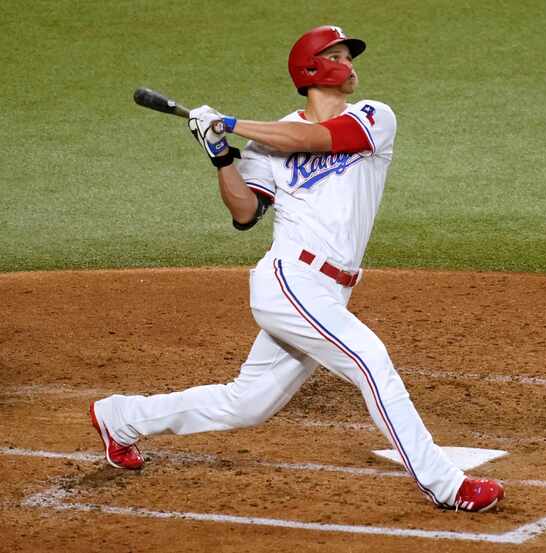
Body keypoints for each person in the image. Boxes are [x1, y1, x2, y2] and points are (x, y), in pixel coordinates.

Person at [90, 25, 504, 512]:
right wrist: (220, 155)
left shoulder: (374, 117)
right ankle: (447, 485)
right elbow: (244, 213)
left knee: (248, 403)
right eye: (339, 55)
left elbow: (316, 137)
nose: (350, 64)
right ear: (312, 67)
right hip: (290, 281)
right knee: (371, 361)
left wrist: (232, 123)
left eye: (349, 56)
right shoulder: (268, 147)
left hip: (331, 291)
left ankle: (121, 418)